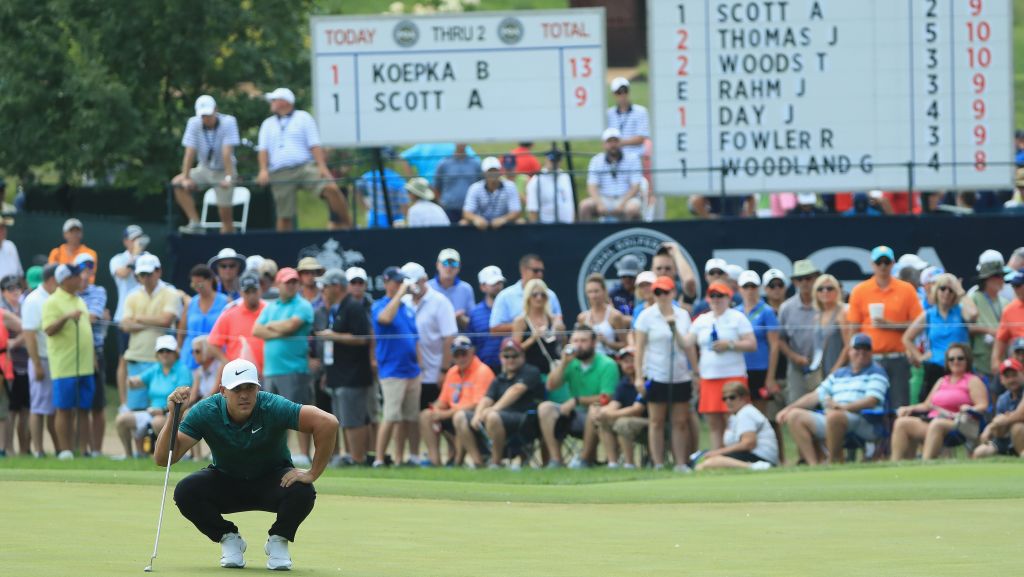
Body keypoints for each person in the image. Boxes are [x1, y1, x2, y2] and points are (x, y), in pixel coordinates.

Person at [164, 359, 339, 571]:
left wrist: (312, 473)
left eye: (250, 387)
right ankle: (228, 538)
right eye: (237, 389)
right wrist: (173, 416)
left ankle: (278, 539)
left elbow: (327, 423)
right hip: (226, 482)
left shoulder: (272, 405)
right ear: (223, 391)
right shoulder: (206, 411)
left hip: (274, 482)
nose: (244, 395)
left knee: (302, 490)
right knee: (186, 491)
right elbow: (164, 458)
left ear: (258, 388)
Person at [777, 333, 889, 465]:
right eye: (857, 349)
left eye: (866, 349)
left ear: (871, 353)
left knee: (835, 416)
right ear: (849, 351)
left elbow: (872, 400)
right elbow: (815, 395)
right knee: (795, 415)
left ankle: (833, 461)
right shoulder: (839, 374)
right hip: (832, 415)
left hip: (864, 420)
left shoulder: (876, 372)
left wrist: (843, 407)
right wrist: (789, 408)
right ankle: (814, 464)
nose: (861, 353)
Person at [256, 87, 350, 231]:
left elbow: (314, 144)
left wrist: (322, 167)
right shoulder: (267, 124)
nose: (271, 102)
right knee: (284, 215)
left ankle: (349, 225)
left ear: (285, 102)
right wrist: (263, 170)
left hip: (304, 167)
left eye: (274, 99)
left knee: (331, 188)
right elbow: (263, 150)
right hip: (280, 171)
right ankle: (282, 247)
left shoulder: (303, 117)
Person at [847, 246, 925, 409]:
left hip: (898, 357)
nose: (883, 266)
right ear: (872, 265)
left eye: (886, 262)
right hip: (869, 357)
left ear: (893, 264)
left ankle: (898, 434)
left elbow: (919, 323)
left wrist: (890, 325)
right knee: (869, 405)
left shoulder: (906, 289)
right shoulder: (860, 291)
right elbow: (853, 328)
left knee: (899, 404)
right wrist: (853, 356)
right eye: (879, 262)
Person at [634, 277, 699, 470]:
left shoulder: (682, 315)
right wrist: (639, 376)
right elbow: (640, 349)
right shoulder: (646, 316)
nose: (662, 296)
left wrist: (695, 372)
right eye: (658, 292)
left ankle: (680, 462)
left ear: (673, 293)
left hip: (680, 374)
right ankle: (658, 463)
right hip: (656, 374)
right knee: (657, 421)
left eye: (665, 292)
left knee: (680, 421)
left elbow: (688, 347)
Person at [253, 267, 315, 467]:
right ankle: (277, 453)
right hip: (271, 370)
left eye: (294, 282)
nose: (292, 285)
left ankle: (304, 454)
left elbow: (292, 327)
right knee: (271, 416)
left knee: (298, 413)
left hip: (294, 369)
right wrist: (281, 329)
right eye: (287, 282)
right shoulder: (271, 307)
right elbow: (256, 330)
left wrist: (272, 327)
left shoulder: (303, 305)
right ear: (278, 284)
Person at [454, 338, 545, 468]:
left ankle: (495, 463)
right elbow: (487, 398)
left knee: (492, 416)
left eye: (514, 356)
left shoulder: (531, 371)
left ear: (522, 356)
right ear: (501, 357)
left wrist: (493, 409)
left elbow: (516, 390)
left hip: (525, 419)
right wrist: (478, 414)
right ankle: (478, 462)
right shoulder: (499, 378)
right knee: (460, 416)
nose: (510, 359)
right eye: (506, 356)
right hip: (499, 419)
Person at [400, 261, 457, 463]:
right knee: (416, 417)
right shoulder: (404, 301)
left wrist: (443, 370)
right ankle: (425, 456)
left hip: (435, 372)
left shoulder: (440, 302)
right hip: (412, 373)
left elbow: (449, 338)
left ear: (423, 280)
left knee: (440, 420)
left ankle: (453, 454)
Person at [539, 325, 619, 468]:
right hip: (573, 415)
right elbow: (551, 385)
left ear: (594, 343)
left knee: (593, 410)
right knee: (545, 408)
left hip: (598, 416)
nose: (578, 345)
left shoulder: (608, 364)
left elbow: (606, 397)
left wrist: (577, 400)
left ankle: (584, 460)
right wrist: (563, 363)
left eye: (583, 341)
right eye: (575, 341)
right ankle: (556, 460)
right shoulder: (570, 362)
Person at [316, 269, 374, 466]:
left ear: (337, 286)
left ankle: (358, 459)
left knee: (353, 420)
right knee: (344, 419)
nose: (322, 290)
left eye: (326, 286)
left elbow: (362, 338)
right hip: (339, 374)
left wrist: (333, 336)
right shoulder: (338, 308)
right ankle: (351, 456)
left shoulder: (353, 307)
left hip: (353, 375)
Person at [891, 343, 988, 461]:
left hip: (960, 424)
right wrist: (909, 408)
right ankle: (896, 464)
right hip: (932, 421)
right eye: (951, 359)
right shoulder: (942, 381)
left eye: (960, 358)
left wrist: (969, 408)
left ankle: (924, 464)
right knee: (902, 423)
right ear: (947, 362)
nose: (955, 362)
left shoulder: (973, 380)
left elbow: (983, 405)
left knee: (937, 424)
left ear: (967, 360)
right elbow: (927, 405)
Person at [690, 281, 756, 449]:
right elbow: (687, 343)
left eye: (720, 295)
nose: (716, 299)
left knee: (733, 420)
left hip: (733, 377)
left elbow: (751, 344)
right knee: (714, 423)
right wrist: (673, 328)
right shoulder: (701, 320)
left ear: (728, 297)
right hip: (709, 377)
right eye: (713, 295)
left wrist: (730, 344)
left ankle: (733, 454)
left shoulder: (737, 317)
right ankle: (717, 456)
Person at [41, 264, 95, 460]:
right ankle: (65, 450)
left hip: (85, 365)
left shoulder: (79, 299)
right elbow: (48, 329)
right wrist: (66, 317)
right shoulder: (52, 302)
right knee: (64, 408)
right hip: (65, 365)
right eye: (76, 276)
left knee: (84, 408)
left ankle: (83, 450)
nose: (81, 278)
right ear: (65, 279)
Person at [371, 267, 421, 467]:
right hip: (392, 371)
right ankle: (379, 458)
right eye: (397, 282)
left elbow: (415, 339)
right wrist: (400, 294)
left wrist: (420, 366)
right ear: (387, 282)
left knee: (410, 417)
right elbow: (384, 319)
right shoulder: (379, 305)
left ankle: (407, 458)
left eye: (402, 282)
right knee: (391, 416)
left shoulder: (407, 308)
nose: (400, 285)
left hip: (412, 370)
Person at [171, 95, 241, 234]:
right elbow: (189, 152)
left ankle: (228, 238)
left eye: (208, 114)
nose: (206, 118)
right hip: (204, 168)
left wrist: (228, 178)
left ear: (215, 110)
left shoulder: (229, 122)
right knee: (177, 183)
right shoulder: (193, 123)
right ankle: (195, 223)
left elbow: (227, 153)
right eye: (203, 115)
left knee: (225, 218)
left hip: (224, 170)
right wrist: (186, 177)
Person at [419, 336, 494, 466]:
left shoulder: (482, 371)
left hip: (474, 416)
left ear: (472, 352)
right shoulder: (452, 372)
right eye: (456, 355)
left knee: (459, 417)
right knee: (426, 415)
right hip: (453, 413)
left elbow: (477, 404)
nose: (460, 358)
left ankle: (472, 462)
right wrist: (435, 410)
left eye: (463, 353)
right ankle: (435, 461)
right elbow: (443, 400)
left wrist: (446, 414)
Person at [120, 255, 183, 411]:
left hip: (162, 361)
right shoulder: (132, 296)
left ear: (158, 272)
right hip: (136, 358)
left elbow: (166, 320)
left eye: (149, 273)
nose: (146, 278)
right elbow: (125, 325)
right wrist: (153, 321)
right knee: (136, 413)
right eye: (142, 275)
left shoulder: (170, 293)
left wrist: (139, 318)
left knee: (161, 412)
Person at [114, 335, 191, 459]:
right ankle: (130, 455)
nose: (164, 354)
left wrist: (163, 410)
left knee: (158, 422)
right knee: (121, 420)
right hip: (152, 412)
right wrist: (131, 381)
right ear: (157, 354)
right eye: (161, 351)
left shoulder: (182, 370)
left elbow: (184, 397)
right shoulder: (156, 369)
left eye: (168, 351)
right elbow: (137, 382)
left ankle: (171, 455)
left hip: (172, 413)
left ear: (175, 353)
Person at [903, 273, 977, 400]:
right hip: (936, 368)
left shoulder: (960, 311)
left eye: (951, 290)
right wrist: (920, 357)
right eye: (943, 288)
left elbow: (973, 314)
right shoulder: (929, 315)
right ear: (936, 291)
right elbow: (907, 338)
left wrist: (960, 291)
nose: (946, 293)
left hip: (960, 366)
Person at [696, 381, 778, 471]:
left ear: (744, 398)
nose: (728, 401)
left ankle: (756, 467)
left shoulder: (746, 413)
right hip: (749, 455)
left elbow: (749, 443)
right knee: (704, 464)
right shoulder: (735, 416)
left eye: (732, 397)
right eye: (724, 398)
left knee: (710, 463)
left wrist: (718, 452)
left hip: (760, 457)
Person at [22, 264, 59, 457]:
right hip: (41, 360)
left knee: (52, 409)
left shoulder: (52, 297)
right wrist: (36, 364)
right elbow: (29, 334)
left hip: (55, 359)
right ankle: (38, 450)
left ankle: (58, 449)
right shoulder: (33, 300)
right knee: (38, 408)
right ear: (51, 279)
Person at [74, 253, 108, 456]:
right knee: (79, 405)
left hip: (95, 351)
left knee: (96, 404)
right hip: (73, 352)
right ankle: (81, 449)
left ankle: (95, 450)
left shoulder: (98, 291)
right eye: (82, 270)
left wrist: (74, 315)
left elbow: (93, 318)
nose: (86, 275)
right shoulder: (67, 293)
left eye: (89, 270)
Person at [777, 259, 823, 406]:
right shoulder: (786, 308)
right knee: (796, 405)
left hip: (823, 364)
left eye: (808, 278)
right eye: (799, 279)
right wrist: (794, 356)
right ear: (795, 282)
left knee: (824, 405)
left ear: (816, 278)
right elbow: (780, 339)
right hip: (796, 366)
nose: (804, 282)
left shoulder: (825, 304)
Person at [595, 348, 648, 469]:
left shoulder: (646, 381)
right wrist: (601, 412)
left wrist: (610, 414)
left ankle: (629, 464)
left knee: (622, 423)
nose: (628, 365)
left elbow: (637, 409)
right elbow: (614, 404)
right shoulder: (623, 383)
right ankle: (613, 463)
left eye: (632, 361)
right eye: (625, 362)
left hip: (649, 421)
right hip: (630, 419)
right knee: (604, 420)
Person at [735, 271, 781, 406]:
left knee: (760, 411)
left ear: (759, 289)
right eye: (746, 287)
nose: (749, 290)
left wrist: (770, 377)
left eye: (753, 287)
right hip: (740, 367)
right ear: (739, 289)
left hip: (761, 368)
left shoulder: (767, 311)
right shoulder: (736, 312)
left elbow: (774, 345)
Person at [579, 128, 643, 222]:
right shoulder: (596, 161)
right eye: (609, 142)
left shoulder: (633, 159)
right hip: (604, 198)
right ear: (604, 144)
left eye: (616, 141)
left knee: (632, 209)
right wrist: (599, 204)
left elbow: (635, 187)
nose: (613, 145)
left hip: (626, 198)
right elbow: (591, 187)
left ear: (621, 142)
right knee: (584, 206)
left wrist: (622, 204)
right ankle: (585, 235)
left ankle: (629, 235)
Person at [207, 273, 266, 373]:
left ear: (260, 290)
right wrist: (227, 363)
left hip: (266, 371)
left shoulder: (268, 310)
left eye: (254, 291)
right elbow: (212, 343)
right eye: (247, 292)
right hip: (239, 374)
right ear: (241, 293)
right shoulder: (230, 313)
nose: (251, 295)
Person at [490, 254, 562, 334]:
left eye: (542, 271)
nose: (540, 274)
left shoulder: (551, 295)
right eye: (536, 270)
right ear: (523, 270)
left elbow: (559, 321)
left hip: (548, 344)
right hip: (517, 345)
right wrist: (526, 326)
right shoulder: (505, 296)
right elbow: (494, 329)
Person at [178, 264, 228, 374]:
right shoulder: (191, 303)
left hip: (215, 358)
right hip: (190, 357)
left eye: (200, 284)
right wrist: (180, 351)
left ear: (210, 280)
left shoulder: (226, 302)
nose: (197, 288)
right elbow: (181, 333)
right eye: (194, 285)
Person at [512, 278, 564, 379]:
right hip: (529, 375)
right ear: (528, 297)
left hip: (552, 373)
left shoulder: (553, 319)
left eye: (543, 295)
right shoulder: (520, 321)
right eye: (534, 294)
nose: (539, 298)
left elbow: (562, 346)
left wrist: (561, 333)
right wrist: (532, 339)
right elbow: (514, 351)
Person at [968, 256, 1009, 387]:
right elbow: (966, 327)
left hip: (1004, 361)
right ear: (987, 279)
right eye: (998, 276)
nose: (1002, 279)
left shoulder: (1005, 302)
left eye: (1002, 276)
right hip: (980, 362)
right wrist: (989, 330)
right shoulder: (973, 297)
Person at [1, 275, 30, 455]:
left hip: (27, 364)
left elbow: (29, 329)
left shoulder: (25, 308)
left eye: (17, 288)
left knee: (26, 409)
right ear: (3, 292)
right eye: (10, 289)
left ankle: (25, 449)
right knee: (10, 409)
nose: (15, 292)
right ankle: (8, 448)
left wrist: (16, 342)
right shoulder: (3, 311)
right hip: (8, 367)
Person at [973, 358, 1024, 458]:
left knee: (1017, 427)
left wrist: (991, 426)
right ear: (1001, 379)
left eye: (1014, 375)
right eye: (1007, 376)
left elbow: (1021, 415)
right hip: (1006, 439)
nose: (1011, 380)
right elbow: (998, 432)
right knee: (980, 452)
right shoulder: (1002, 399)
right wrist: (996, 427)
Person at [577, 273, 630, 356]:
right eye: (590, 292)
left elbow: (625, 344)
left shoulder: (615, 316)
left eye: (596, 291)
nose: (593, 295)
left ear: (604, 291)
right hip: (588, 361)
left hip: (609, 359)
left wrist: (607, 343)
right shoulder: (582, 317)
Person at [462, 156, 522, 230]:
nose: (493, 174)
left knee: (520, 222)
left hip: (504, 225)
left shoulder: (510, 186)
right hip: (480, 226)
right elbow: (466, 212)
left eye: (495, 170)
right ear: (484, 173)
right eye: (490, 171)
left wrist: (503, 219)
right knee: (463, 223)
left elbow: (516, 211)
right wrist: (476, 218)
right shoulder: (475, 188)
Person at [468, 266, 505, 373]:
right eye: (493, 284)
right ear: (483, 287)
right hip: (482, 370)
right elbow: (472, 344)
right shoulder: (475, 313)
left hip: (508, 368)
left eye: (499, 283)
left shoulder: (509, 309)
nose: (497, 287)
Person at [812, 274, 850, 378]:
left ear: (837, 291)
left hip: (842, 370)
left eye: (829, 288)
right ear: (816, 292)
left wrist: (836, 369)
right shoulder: (817, 316)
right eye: (820, 289)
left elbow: (848, 345)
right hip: (822, 369)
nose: (825, 292)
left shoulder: (843, 312)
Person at [433, 143, 482, 223]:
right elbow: (436, 186)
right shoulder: (444, 163)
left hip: (471, 211)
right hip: (449, 210)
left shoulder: (475, 163)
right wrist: (441, 203)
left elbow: (481, 185)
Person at [428, 248, 475, 329]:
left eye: (454, 264)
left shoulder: (466, 289)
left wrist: (460, 318)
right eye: (445, 263)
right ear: (437, 265)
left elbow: (472, 324)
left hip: (459, 337)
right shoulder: (427, 287)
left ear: (459, 267)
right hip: (433, 336)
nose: (449, 267)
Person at [525, 150, 575, 224]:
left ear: (560, 161)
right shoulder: (536, 181)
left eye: (556, 161)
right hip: (547, 227)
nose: (554, 164)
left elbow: (570, 202)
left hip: (567, 226)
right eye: (551, 161)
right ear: (546, 160)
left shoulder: (565, 176)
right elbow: (533, 210)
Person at [606, 77, 650, 158]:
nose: (623, 95)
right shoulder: (609, 113)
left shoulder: (641, 111)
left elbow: (641, 138)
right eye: (619, 92)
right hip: (615, 157)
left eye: (625, 91)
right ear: (613, 94)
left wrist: (619, 143)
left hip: (636, 156)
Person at [399, 142, 477, 186]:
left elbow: (404, 157)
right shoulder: (454, 143)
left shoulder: (423, 144)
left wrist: (413, 181)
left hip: (430, 188)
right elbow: (476, 160)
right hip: (447, 188)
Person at [992, 271, 1024, 375]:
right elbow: (998, 350)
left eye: (1018, 285)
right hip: (1018, 369)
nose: (1015, 289)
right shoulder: (1009, 310)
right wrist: (999, 370)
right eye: (1013, 286)